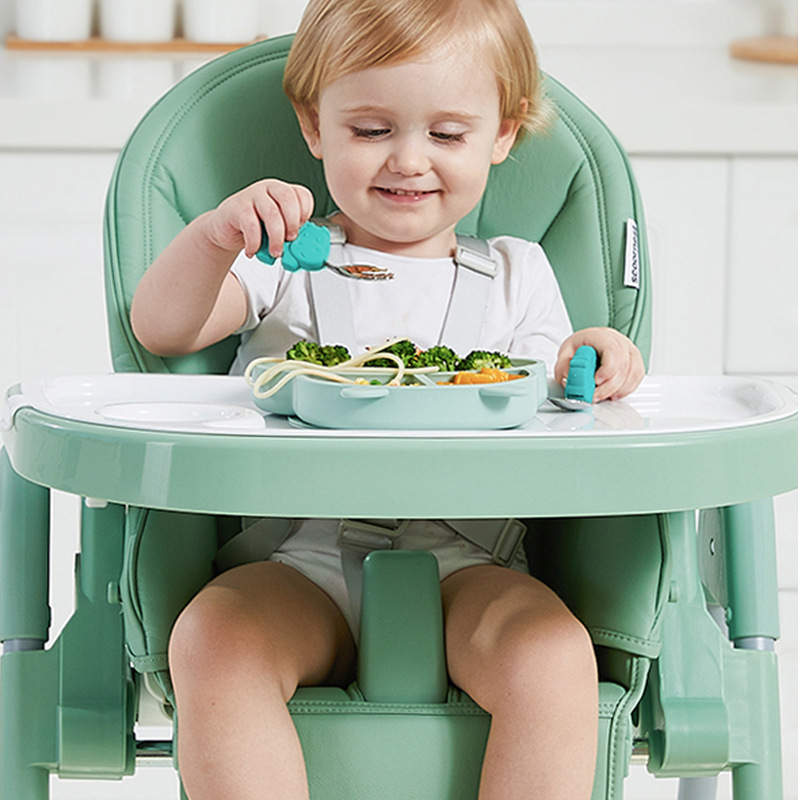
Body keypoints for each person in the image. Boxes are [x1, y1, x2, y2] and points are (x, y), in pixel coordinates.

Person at [130, 0, 645, 798]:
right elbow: (163, 329)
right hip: (296, 560)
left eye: (447, 134)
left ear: (503, 134)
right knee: (213, 638)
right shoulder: (281, 260)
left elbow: (561, 402)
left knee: (552, 655)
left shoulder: (519, 273)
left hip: (471, 562)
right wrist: (215, 238)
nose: (408, 160)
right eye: (371, 130)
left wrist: (600, 357)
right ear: (315, 126)